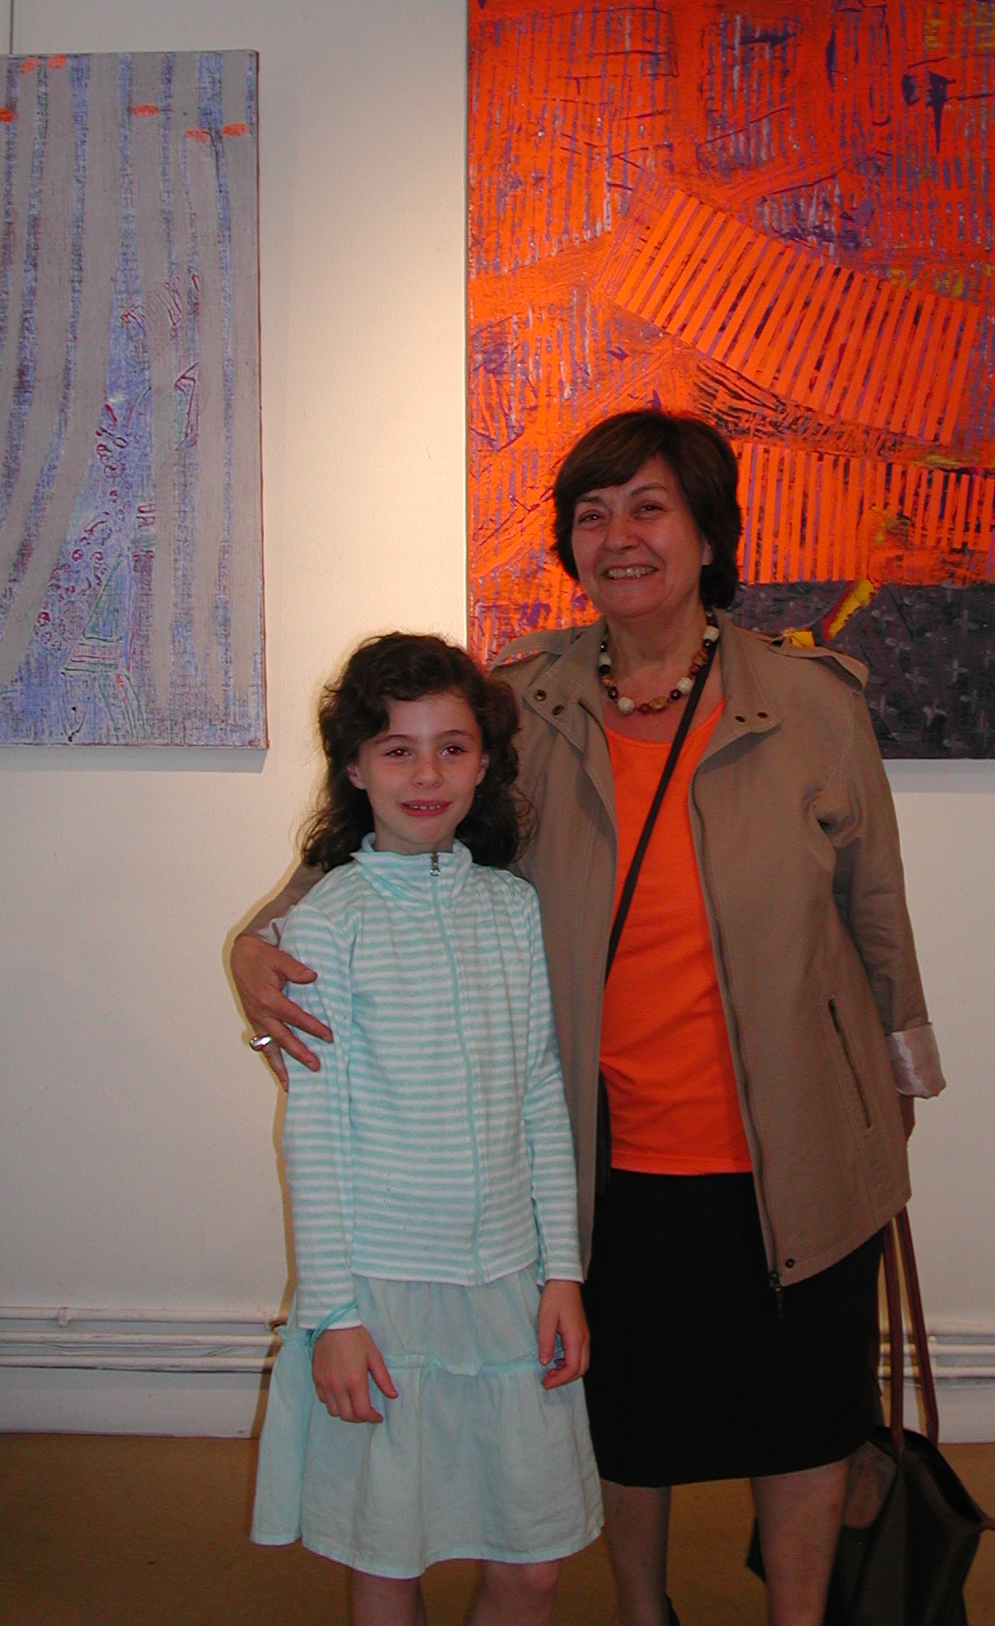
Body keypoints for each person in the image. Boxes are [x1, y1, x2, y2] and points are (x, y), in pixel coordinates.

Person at [235, 411, 945, 1626]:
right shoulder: (523, 702)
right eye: (593, 512)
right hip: (599, 1146)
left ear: (710, 533)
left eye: (649, 506)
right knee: (622, 1412)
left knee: (804, 1413)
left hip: (799, 1138)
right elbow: (383, 828)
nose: (620, 536)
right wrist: (264, 936)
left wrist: (898, 1084)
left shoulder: (811, 703)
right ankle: (640, 1607)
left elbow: (877, 906)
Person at [248, 632, 602, 1626]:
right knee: (387, 1551)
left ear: (485, 763)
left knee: (532, 1561)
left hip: (510, 1287)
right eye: (397, 749)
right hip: (382, 1293)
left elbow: (540, 1095)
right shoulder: (328, 923)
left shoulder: (512, 909)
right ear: (356, 767)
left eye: (452, 747)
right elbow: (314, 1135)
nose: (427, 774)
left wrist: (563, 1273)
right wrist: (335, 1314)